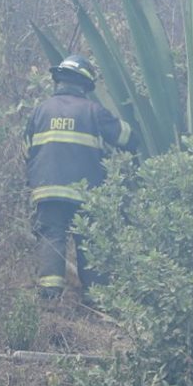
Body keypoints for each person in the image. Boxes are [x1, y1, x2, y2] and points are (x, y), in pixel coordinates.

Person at [25, 54, 140, 300]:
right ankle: (94, 297)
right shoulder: (94, 111)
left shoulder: (40, 111)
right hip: (85, 192)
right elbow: (126, 138)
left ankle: (49, 294)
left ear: (59, 81)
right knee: (88, 239)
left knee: (51, 235)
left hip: (47, 189)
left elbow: (27, 150)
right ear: (85, 85)